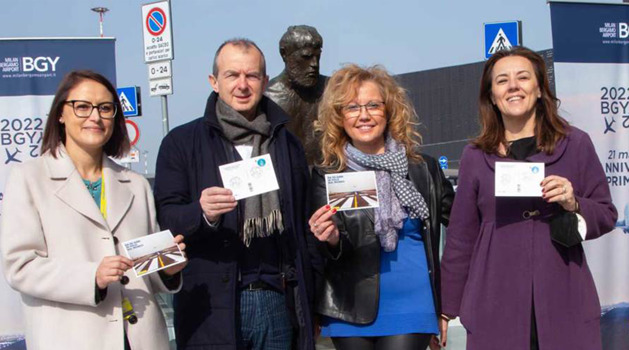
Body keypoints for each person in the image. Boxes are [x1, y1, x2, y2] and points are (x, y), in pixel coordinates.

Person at [440, 46, 618, 350]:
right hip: (494, 301)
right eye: (502, 81)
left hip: (564, 296)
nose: (513, 86)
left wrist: (574, 202)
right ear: (492, 96)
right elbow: (460, 237)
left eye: (523, 77)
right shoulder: (475, 155)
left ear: (539, 89)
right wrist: (446, 308)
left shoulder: (575, 144)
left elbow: (606, 214)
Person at [153, 38, 321, 350]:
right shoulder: (180, 142)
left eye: (252, 76)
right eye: (232, 75)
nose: (242, 85)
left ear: (265, 82)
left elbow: (303, 226)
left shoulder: (286, 143)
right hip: (210, 307)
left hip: (277, 300)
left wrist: (311, 301)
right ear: (214, 82)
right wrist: (201, 213)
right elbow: (165, 221)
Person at [0, 70, 185, 350]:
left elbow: (144, 267)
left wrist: (168, 268)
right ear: (61, 113)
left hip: (140, 338)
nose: (95, 117)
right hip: (70, 338)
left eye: (105, 108)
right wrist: (91, 277)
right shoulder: (28, 178)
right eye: (82, 106)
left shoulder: (135, 184)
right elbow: (20, 266)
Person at [308, 64, 454, 350]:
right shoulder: (327, 174)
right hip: (350, 304)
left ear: (389, 110)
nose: (363, 115)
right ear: (339, 117)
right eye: (352, 107)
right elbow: (327, 251)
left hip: (413, 302)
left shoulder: (423, 169)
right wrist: (331, 239)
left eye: (373, 105)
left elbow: (465, 226)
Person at [265, 25, 328, 164]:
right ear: (284, 54)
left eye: (318, 56)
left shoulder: (333, 90)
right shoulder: (266, 99)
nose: (314, 64)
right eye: (306, 57)